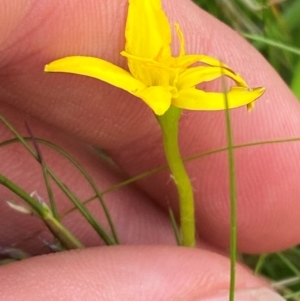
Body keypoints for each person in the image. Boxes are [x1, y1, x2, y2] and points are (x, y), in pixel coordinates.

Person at [0, 0, 299, 300]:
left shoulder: (170, 91)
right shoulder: (155, 93)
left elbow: (200, 89)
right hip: (155, 93)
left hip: (165, 95)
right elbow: (138, 88)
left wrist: (236, 87)